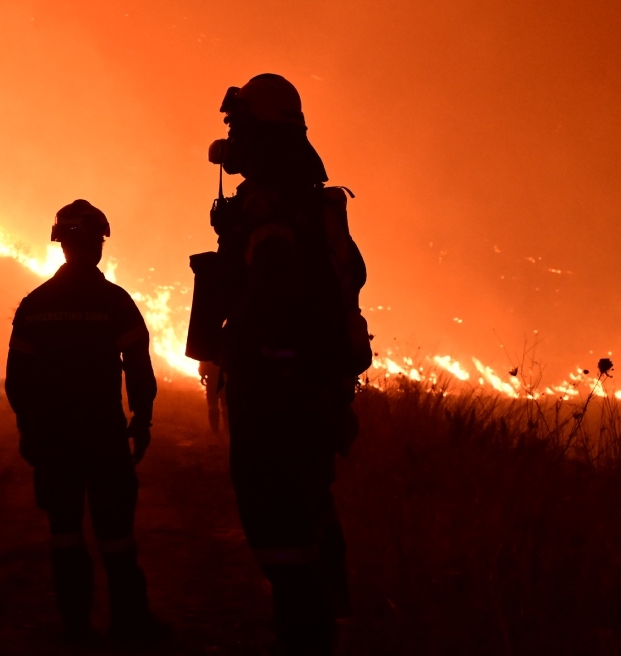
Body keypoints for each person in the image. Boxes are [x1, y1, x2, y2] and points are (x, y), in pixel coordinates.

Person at [202, 74, 368, 655]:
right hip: (312, 386)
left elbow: (270, 289)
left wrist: (236, 346)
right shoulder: (310, 199)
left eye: (239, 124)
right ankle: (323, 624)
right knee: (309, 511)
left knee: (279, 527)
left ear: (262, 128)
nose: (232, 136)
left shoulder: (271, 202)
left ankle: (303, 636)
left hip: (276, 393)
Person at [6, 200, 169, 644]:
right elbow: (137, 366)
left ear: (61, 244)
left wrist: (28, 428)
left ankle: (75, 627)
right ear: (98, 244)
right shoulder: (113, 302)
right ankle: (129, 623)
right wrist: (143, 418)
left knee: (64, 532)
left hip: (54, 438)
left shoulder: (35, 305)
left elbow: (17, 379)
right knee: (115, 533)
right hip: (103, 436)